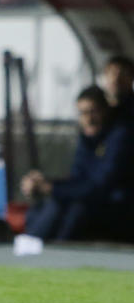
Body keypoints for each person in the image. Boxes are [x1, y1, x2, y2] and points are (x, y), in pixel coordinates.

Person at [20, 86, 134, 242]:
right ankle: (33, 246)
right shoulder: (86, 141)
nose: (88, 119)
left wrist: (52, 188)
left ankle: (50, 251)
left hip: (117, 209)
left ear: (105, 111)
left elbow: (99, 186)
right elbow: (77, 179)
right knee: (48, 206)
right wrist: (45, 184)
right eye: (82, 113)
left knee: (75, 209)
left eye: (93, 111)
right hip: (91, 201)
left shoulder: (120, 138)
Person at [102, 54, 134, 122]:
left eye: (123, 74)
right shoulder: (98, 107)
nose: (116, 79)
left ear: (132, 78)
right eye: (113, 73)